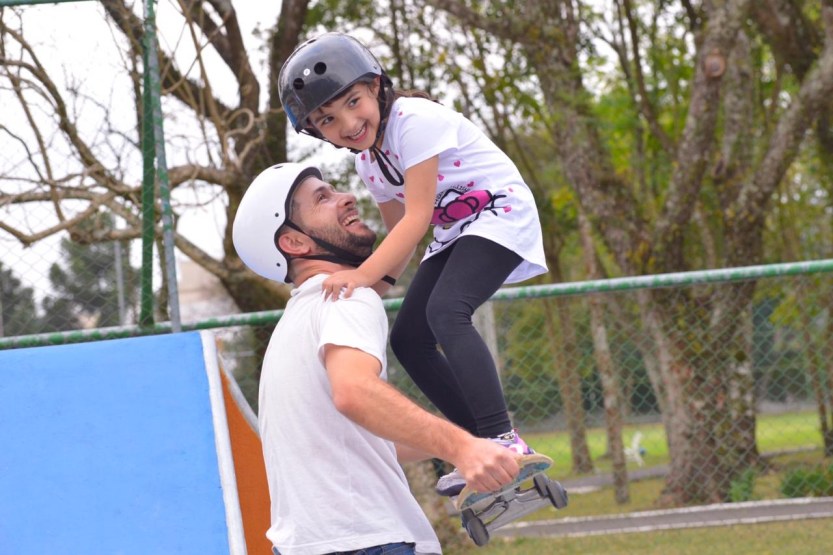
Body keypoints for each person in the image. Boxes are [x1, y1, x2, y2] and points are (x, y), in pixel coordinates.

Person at [278, 33, 549, 496]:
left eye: (354, 101)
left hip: (499, 213)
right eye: (327, 119)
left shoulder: (415, 121)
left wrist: (361, 276)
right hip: (455, 232)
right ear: (316, 131)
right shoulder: (371, 165)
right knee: (408, 337)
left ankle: (503, 438)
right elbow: (401, 238)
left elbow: (418, 216)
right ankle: (478, 446)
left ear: (378, 86)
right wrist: (366, 291)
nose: (347, 122)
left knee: (446, 312)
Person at [232, 163, 522, 555]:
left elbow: (357, 441)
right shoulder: (346, 298)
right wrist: (463, 448)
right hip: (368, 540)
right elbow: (354, 392)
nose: (346, 197)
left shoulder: (295, 322)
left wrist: (473, 443)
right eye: (323, 198)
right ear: (295, 244)